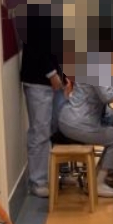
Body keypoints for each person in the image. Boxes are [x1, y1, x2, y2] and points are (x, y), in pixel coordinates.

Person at [58, 57, 113, 198]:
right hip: (77, 122)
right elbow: (107, 95)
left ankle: (103, 174)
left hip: (76, 118)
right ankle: (98, 183)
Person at [20, 37, 69, 198]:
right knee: (40, 131)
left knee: (59, 126)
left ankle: (57, 172)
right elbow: (35, 42)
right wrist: (52, 73)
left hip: (56, 78)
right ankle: (38, 182)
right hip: (39, 80)